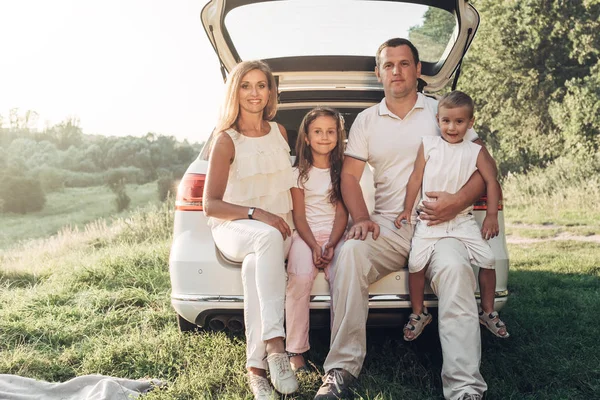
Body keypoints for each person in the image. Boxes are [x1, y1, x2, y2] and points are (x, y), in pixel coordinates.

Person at [314, 38, 492, 400]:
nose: (397, 70)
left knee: (457, 272)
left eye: (404, 63)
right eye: (389, 64)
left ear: (418, 70)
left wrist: (456, 202)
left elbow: (482, 166)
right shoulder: (366, 121)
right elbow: (348, 176)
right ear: (379, 73)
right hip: (390, 226)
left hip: (443, 228)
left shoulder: (440, 110)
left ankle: (465, 388)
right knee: (350, 253)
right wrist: (361, 217)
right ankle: (340, 372)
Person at [203, 60, 298, 399]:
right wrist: (257, 213)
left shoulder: (280, 133)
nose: (254, 93)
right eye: (246, 86)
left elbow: (290, 188)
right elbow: (210, 205)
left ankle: (255, 370)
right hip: (234, 227)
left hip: (276, 231)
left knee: (258, 264)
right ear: (235, 92)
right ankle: (276, 345)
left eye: (261, 85)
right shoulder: (225, 140)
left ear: (270, 92)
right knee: (266, 237)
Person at [395, 90, 509, 341]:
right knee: (415, 264)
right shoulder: (429, 145)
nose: (452, 127)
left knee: (488, 259)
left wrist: (491, 215)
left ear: (471, 123)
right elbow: (415, 178)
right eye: (446, 121)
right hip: (429, 221)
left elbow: (491, 181)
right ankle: (418, 313)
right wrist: (407, 207)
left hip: (462, 221)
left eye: (459, 122)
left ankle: (488, 312)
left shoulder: (475, 151)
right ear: (438, 120)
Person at [285, 107, 349, 372]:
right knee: (299, 278)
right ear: (307, 137)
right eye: (318, 131)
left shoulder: (344, 170)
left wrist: (332, 244)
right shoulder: (297, 172)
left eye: (330, 131)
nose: (325, 137)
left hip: (337, 235)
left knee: (343, 280)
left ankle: (340, 349)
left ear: (338, 136)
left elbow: (343, 213)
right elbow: (299, 216)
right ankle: (296, 350)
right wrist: (313, 246)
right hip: (305, 236)